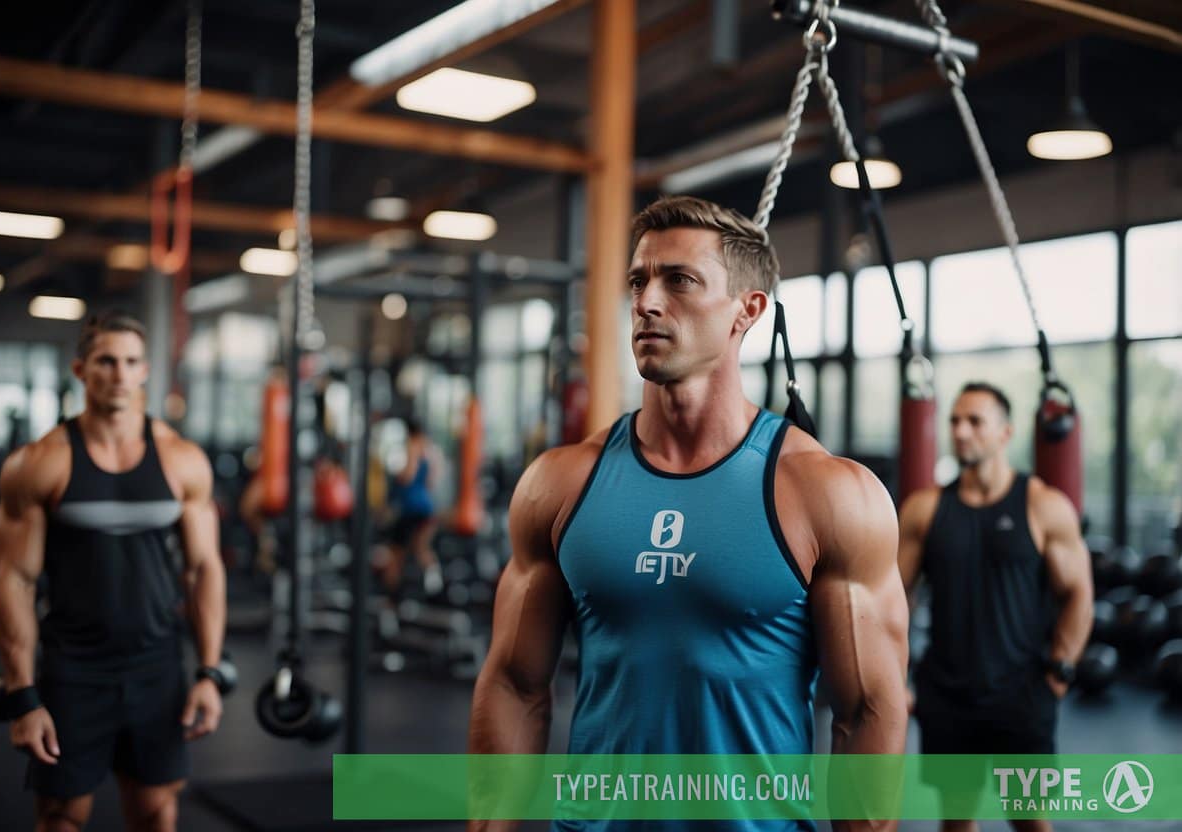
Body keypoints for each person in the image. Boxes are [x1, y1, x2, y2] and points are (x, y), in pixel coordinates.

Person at [469, 195, 909, 831]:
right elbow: (513, 683)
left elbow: (869, 709)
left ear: (747, 311)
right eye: (639, 281)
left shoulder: (826, 493)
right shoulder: (562, 482)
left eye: (680, 281)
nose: (647, 302)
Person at [0, 310, 227, 832]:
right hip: (74, 667)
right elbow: (14, 580)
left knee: (157, 810)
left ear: (146, 371)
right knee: (60, 817)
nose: (120, 374)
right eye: (106, 362)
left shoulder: (182, 459)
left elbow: (205, 569)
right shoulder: (40, 462)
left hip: (157, 666)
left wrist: (209, 672)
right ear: (81, 370)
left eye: (131, 362)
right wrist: (23, 694)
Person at [897, 382, 1093, 832]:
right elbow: (895, 598)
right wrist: (899, 676)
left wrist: (1059, 672)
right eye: (954, 420)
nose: (961, 432)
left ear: (1005, 433)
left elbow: (1079, 593)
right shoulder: (924, 510)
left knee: (1029, 820)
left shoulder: (1044, 507)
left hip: (1020, 694)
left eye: (974, 421)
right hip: (947, 694)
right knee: (957, 821)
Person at [377, 417, 443, 597]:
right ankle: (432, 583)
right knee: (421, 549)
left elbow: (407, 476)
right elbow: (431, 481)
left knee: (395, 554)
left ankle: (391, 596)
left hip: (411, 509)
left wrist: (396, 477)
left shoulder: (412, 447)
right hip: (426, 507)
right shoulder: (429, 452)